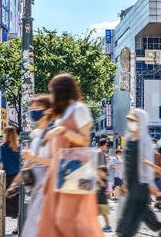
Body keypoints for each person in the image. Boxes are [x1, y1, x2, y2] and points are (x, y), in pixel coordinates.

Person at [37, 73, 102, 237]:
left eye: (52, 91)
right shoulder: (64, 113)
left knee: (67, 220)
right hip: (61, 172)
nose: (51, 96)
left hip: (75, 171)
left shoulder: (80, 109)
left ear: (61, 91)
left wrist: (62, 130)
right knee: (56, 221)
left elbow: (85, 141)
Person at [115, 108, 161, 237]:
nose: (131, 123)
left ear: (141, 121)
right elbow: (126, 162)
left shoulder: (145, 140)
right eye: (129, 120)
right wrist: (124, 180)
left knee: (131, 212)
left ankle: (123, 233)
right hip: (131, 182)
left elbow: (147, 163)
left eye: (133, 120)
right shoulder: (128, 138)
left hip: (141, 182)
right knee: (142, 209)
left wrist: (150, 183)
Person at [18, 94, 54, 237]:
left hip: (49, 186)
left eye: (37, 107)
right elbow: (31, 160)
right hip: (36, 188)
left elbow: (56, 161)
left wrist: (33, 158)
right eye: (32, 108)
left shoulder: (53, 132)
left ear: (48, 110)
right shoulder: (36, 134)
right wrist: (16, 181)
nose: (33, 111)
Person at [0, 126, 20, 229]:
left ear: (6, 135)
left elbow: (2, 163)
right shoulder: (18, 147)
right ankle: (17, 227)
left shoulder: (3, 147)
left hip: (7, 177)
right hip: (17, 178)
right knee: (17, 202)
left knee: (2, 202)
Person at [97, 166, 112, 232]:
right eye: (98, 171)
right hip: (96, 201)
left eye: (100, 171)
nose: (98, 173)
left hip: (103, 201)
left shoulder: (105, 180)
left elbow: (103, 185)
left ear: (105, 173)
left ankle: (108, 226)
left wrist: (98, 179)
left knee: (104, 214)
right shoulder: (96, 180)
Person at [153, 146, 161, 211]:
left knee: (160, 189)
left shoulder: (160, 156)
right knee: (160, 190)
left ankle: (158, 204)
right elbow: (156, 166)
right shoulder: (157, 155)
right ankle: (157, 205)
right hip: (155, 176)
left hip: (157, 176)